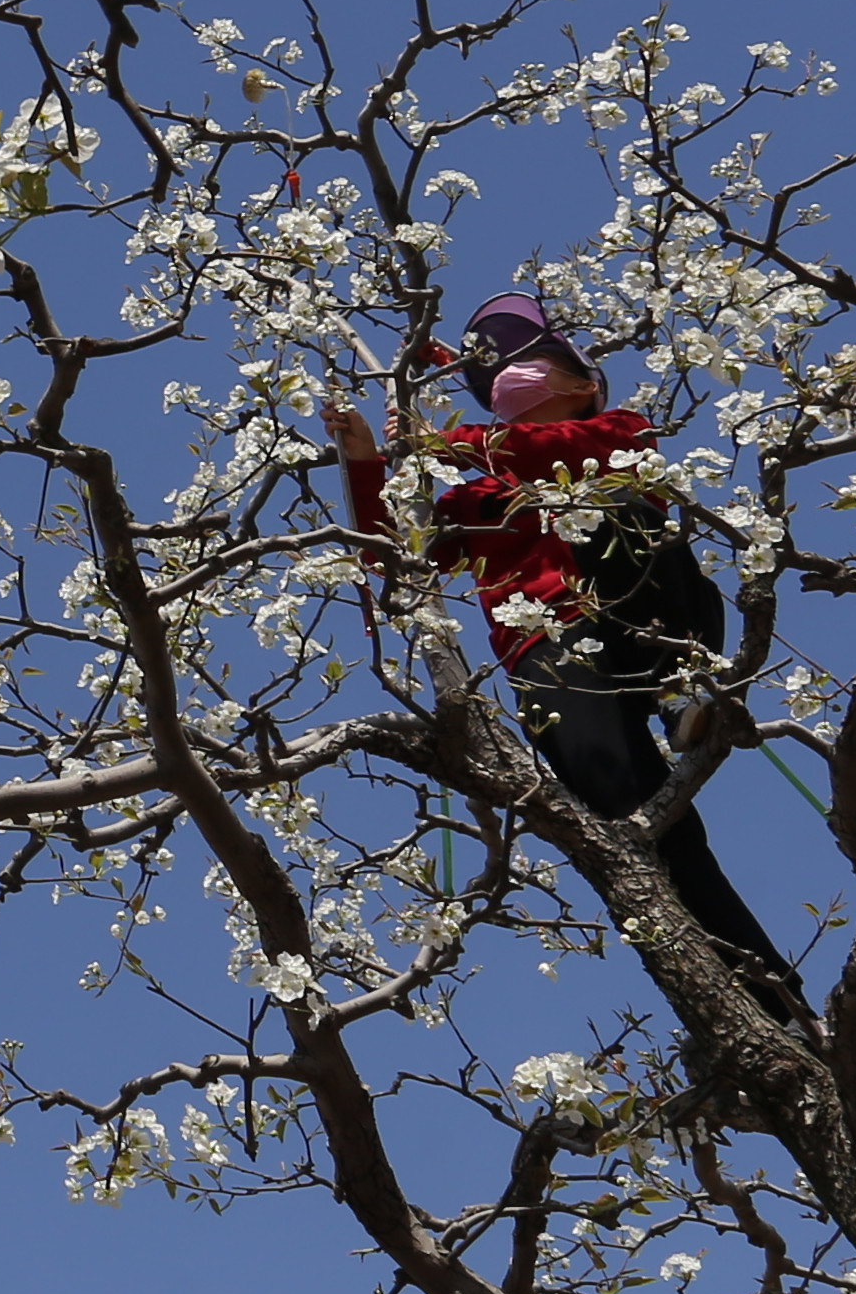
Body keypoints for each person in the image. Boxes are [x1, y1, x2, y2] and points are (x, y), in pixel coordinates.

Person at [333, 293, 813, 1021]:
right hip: (546, 650)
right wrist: (368, 459)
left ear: (584, 382)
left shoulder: (614, 433)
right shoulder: (483, 489)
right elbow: (402, 555)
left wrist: (446, 441)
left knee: (613, 509)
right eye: (501, 378)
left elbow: (558, 455)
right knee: (650, 831)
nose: (509, 385)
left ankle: (678, 688)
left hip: (641, 614)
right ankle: (774, 1008)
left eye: (531, 367)